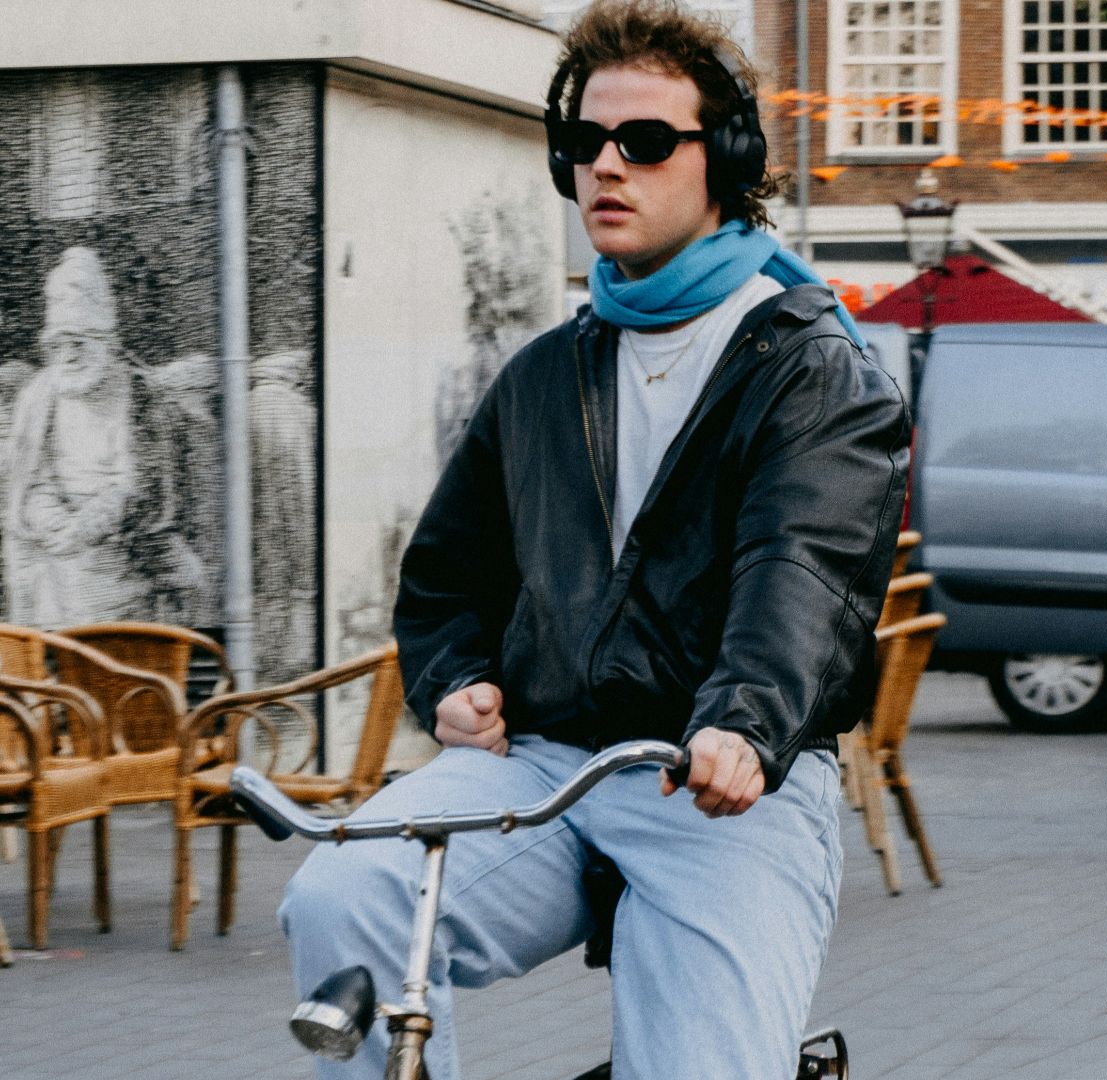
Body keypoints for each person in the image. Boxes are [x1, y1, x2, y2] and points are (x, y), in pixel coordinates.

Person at [277, 4, 909, 1076]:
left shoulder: (810, 368)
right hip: (542, 769)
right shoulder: (543, 375)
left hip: (715, 784)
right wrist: (456, 679)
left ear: (729, 160)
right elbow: (446, 577)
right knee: (343, 894)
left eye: (648, 142)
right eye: (585, 144)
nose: (608, 166)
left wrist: (745, 727)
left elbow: (802, 572)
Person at [3, 246, 207, 626]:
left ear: (104, 340)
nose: (68, 355)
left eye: (79, 342)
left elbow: (141, 485)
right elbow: (31, 481)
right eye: (58, 344)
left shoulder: (139, 393)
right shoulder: (39, 395)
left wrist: (90, 524)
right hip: (56, 550)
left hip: (128, 549)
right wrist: (53, 519)